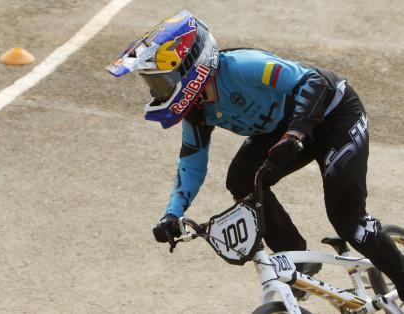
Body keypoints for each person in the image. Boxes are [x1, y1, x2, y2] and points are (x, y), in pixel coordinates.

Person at [107, 10, 404, 299]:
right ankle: (299, 258)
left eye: (159, 82)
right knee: (241, 179)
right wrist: (173, 214)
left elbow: (316, 84)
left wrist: (296, 133)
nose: (156, 93)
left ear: (188, 67)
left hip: (334, 115)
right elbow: (192, 165)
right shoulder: (197, 110)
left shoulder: (241, 66)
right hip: (288, 131)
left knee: (348, 221)